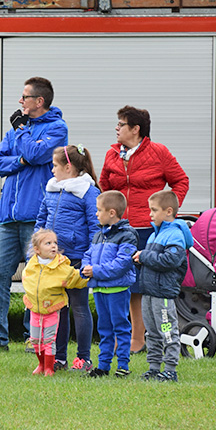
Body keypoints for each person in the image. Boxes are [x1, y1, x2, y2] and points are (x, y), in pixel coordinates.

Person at [0, 77, 68, 353]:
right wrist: (21, 159)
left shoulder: (57, 128)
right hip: (8, 216)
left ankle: (32, 337)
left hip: (34, 217)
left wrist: (23, 138)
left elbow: (37, 154)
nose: (20, 102)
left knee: (35, 277)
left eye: (24, 97)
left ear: (39, 101)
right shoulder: (17, 130)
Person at [99, 105, 189, 354]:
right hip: (120, 230)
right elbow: (105, 186)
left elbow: (181, 181)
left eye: (121, 124)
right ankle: (122, 336)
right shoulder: (112, 154)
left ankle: (139, 339)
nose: (116, 129)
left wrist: (167, 211)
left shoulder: (159, 152)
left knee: (141, 286)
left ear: (136, 129)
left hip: (147, 230)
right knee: (118, 283)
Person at [35, 144, 100, 372]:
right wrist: (36, 249)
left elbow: (95, 227)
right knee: (58, 308)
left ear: (68, 167)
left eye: (54, 165)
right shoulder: (52, 188)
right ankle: (59, 358)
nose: (52, 170)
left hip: (77, 259)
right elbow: (41, 219)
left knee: (79, 306)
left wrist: (90, 258)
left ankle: (83, 359)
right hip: (54, 260)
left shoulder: (88, 192)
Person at [133, 190, 193, 383]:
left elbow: (170, 260)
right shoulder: (155, 235)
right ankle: (154, 367)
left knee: (167, 330)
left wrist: (144, 256)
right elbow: (153, 260)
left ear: (168, 211)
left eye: (154, 210)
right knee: (152, 332)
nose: (150, 214)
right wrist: (139, 259)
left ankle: (170, 369)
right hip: (149, 292)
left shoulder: (175, 234)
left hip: (163, 294)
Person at [82, 191, 138, 378]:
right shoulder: (99, 235)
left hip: (117, 291)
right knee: (104, 329)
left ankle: (123, 365)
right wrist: (86, 267)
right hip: (99, 290)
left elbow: (121, 264)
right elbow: (88, 255)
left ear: (112, 213)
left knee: (120, 327)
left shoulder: (127, 236)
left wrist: (95, 271)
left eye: (99, 210)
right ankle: (103, 366)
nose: (96, 214)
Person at [22, 229, 89, 376]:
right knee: (35, 339)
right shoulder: (31, 265)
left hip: (52, 309)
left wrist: (88, 275)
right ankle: (41, 364)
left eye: (55, 243)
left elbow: (74, 277)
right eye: (48, 243)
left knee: (49, 340)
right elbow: (27, 280)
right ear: (37, 249)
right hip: (35, 309)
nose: (53, 246)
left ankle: (49, 367)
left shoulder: (61, 266)